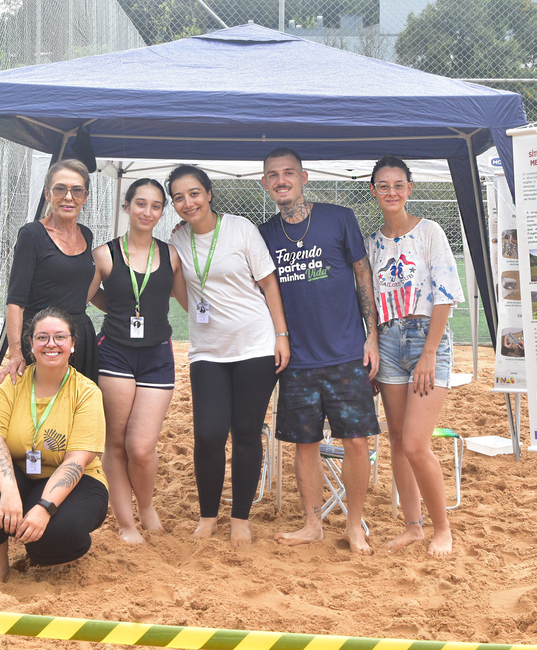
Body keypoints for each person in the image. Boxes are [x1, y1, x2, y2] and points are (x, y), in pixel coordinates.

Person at [256, 147, 381, 556]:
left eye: (288, 173)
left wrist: (371, 335)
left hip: (346, 353)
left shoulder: (338, 217)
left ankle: (353, 524)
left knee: (357, 442)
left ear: (304, 177)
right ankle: (312, 523)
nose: (281, 180)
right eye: (273, 175)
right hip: (297, 359)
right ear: (264, 183)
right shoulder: (265, 233)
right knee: (304, 444)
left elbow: (363, 273)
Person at [168, 164, 290, 547]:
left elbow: (269, 284)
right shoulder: (178, 241)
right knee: (207, 434)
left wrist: (281, 335)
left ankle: (240, 518)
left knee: (246, 432)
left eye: (194, 193)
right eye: (178, 197)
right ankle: (208, 516)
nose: (188, 203)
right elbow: (181, 292)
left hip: (254, 344)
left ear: (208, 193)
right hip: (208, 350)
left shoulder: (240, 228)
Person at [0, 307, 109, 581]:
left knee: (57, 534)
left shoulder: (87, 392)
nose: (51, 344)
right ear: (31, 344)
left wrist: (44, 509)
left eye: (60, 337)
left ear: (73, 344)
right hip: (19, 474)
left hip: (76, 481)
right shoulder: (10, 382)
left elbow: (77, 461)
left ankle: (49, 555)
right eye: (42, 337)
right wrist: (8, 489)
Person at [364, 155, 463, 557]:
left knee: (417, 444)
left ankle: (443, 529)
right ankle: (412, 526)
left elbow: (444, 295)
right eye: (383, 185)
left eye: (398, 185)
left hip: (426, 337)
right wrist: (371, 343)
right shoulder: (371, 243)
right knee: (399, 443)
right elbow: (369, 301)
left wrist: (428, 354)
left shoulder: (430, 232)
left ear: (410, 189)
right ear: (373, 191)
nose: (391, 192)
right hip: (387, 340)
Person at [87, 178, 187, 545]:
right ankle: (126, 523)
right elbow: (85, 296)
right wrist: (116, 309)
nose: (147, 211)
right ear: (126, 206)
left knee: (141, 446)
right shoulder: (103, 254)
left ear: (162, 211)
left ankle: (146, 506)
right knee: (116, 442)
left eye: (156, 205)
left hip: (158, 355)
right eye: (140, 203)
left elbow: (189, 302)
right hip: (114, 352)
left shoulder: (172, 254)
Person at [0, 159, 99, 385]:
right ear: (47, 194)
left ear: (85, 197)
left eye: (77, 190)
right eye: (60, 189)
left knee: (77, 411)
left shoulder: (86, 234)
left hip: (79, 339)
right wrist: (15, 353)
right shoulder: (31, 235)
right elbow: (15, 300)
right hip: (44, 341)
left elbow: (79, 285)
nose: (68, 197)